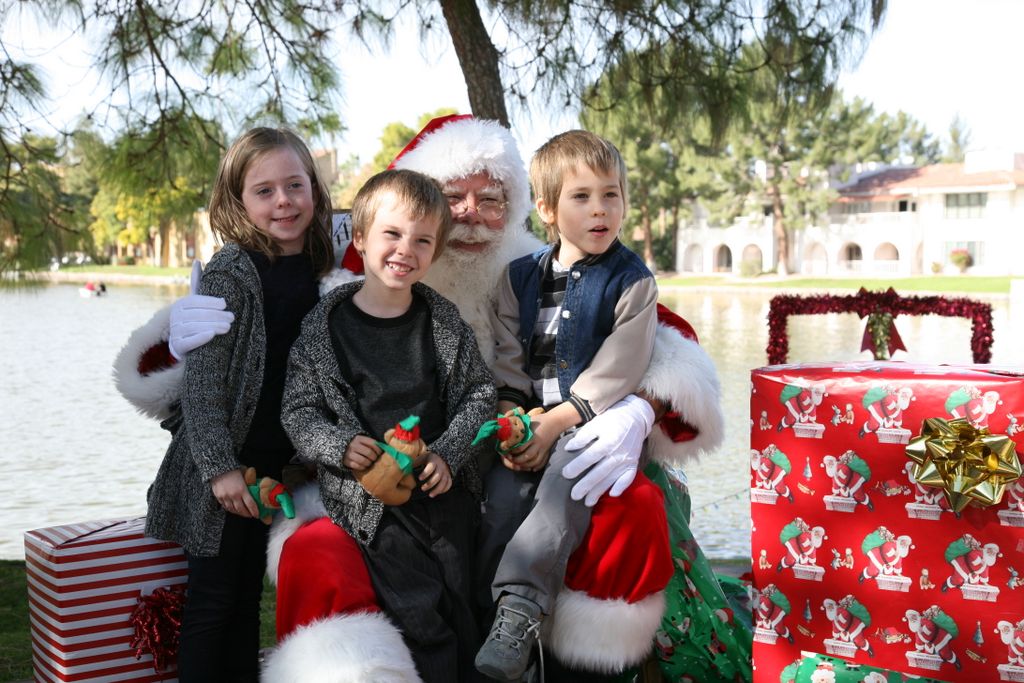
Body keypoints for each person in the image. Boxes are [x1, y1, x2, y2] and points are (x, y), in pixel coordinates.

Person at [115, 115, 728, 679]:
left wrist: (639, 405)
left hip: (488, 461)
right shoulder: (340, 279)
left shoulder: (535, 266)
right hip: (353, 478)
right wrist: (180, 340)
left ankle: (573, 667)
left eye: (491, 200)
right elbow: (261, 368)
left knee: (619, 508)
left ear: (519, 207)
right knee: (265, 578)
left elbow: (667, 343)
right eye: (452, 196)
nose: (469, 215)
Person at [280, 169, 495, 681]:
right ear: (360, 239)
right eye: (392, 234)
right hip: (374, 500)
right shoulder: (324, 328)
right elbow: (298, 412)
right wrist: (339, 445)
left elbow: (479, 394)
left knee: (461, 602)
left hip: (441, 491)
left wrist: (448, 453)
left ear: (435, 250)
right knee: (418, 611)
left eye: (422, 240)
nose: (406, 250)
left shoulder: (441, 321)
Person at [141, 126, 334, 681]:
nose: (283, 202)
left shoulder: (323, 265)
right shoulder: (232, 273)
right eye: (264, 191)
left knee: (248, 596)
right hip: (222, 466)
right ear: (237, 201)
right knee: (214, 601)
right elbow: (203, 385)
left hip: (274, 466)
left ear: (314, 190)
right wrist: (220, 470)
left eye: (294, 186)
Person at [474, 130, 658, 680]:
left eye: (611, 194)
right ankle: (499, 637)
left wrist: (557, 422)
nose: (600, 209)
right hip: (536, 421)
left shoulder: (633, 282)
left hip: (598, 431)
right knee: (501, 501)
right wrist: (516, 421)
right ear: (548, 209)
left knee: (566, 482)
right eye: (582, 197)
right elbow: (510, 358)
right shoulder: (520, 278)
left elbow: (619, 368)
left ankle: (522, 610)